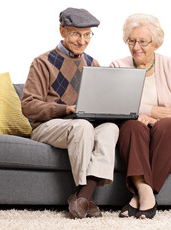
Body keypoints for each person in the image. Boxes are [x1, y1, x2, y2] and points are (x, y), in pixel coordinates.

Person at [21, 7, 119, 219]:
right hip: (48, 126)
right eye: (75, 34)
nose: (82, 41)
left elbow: (99, 104)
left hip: (82, 125)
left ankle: (83, 197)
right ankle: (85, 195)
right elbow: (28, 106)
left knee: (110, 128)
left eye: (87, 35)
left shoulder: (92, 64)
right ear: (62, 31)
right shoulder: (42, 62)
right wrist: (65, 109)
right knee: (82, 126)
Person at [110, 13, 171, 219]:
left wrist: (157, 119)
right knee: (132, 126)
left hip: (170, 128)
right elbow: (116, 105)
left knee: (168, 126)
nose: (136, 47)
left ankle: (138, 196)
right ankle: (146, 194)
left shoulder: (170, 65)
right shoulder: (118, 66)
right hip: (137, 126)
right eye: (132, 40)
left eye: (143, 42)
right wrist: (150, 111)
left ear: (156, 43)